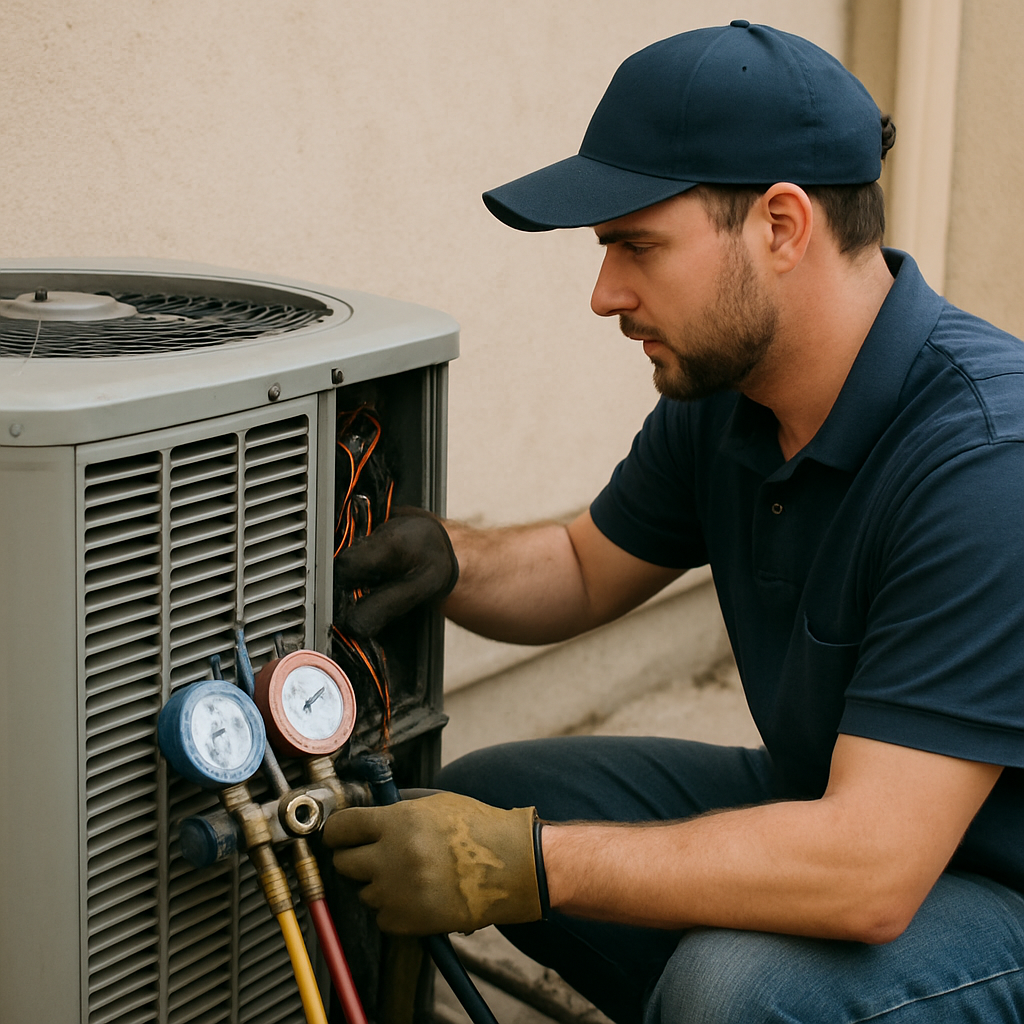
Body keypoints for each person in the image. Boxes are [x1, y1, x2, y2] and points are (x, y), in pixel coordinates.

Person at [324, 21, 1024, 1023]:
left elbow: (869, 869)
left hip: (989, 889)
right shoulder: (731, 399)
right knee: (493, 793)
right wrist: (445, 556)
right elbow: (579, 564)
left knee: (735, 989)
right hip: (843, 808)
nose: (605, 294)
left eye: (635, 245)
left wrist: (522, 866)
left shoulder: (985, 459)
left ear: (781, 226)